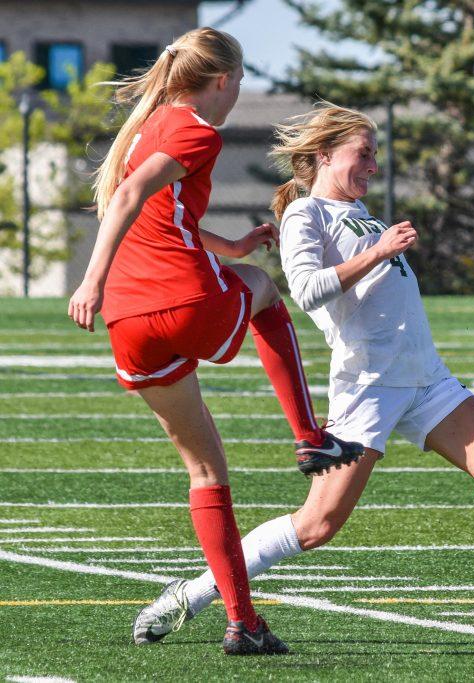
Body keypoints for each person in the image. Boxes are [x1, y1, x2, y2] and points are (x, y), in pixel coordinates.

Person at [132, 104, 474, 651]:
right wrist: (379, 250)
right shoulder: (306, 214)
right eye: (362, 154)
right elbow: (305, 290)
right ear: (323, 155)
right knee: (316, 526)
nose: (373, 165)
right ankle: (193, 595)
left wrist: (377, 245)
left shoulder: (359, 209)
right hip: (368, 384)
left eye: (375, 154)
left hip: (426, 378)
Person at [67, 28, 363, 655]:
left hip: (129, 323)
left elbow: (157, 211)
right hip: (177, 302)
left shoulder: (146, 128)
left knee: (205, 470)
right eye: (242, 81)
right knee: (264, 289)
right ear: (223, 80)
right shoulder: (196, 129)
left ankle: (243, 622)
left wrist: (226, 247)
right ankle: (310, 437)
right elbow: (126, 198)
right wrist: (87, 279)